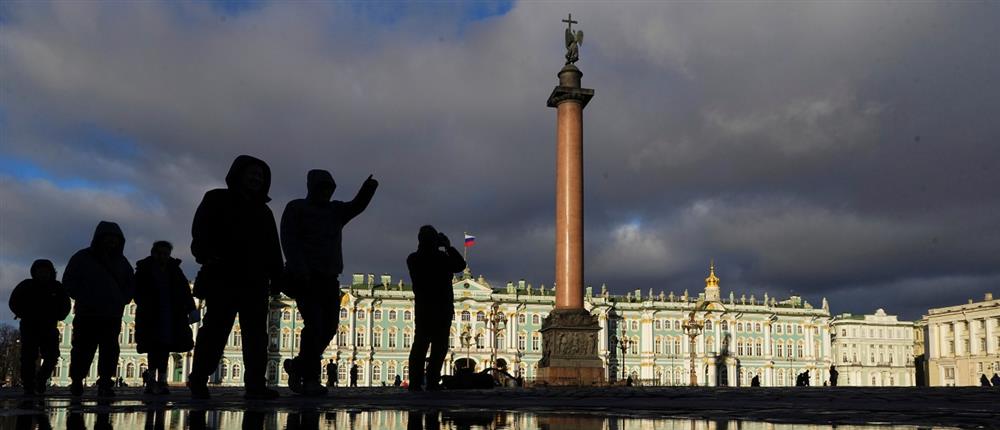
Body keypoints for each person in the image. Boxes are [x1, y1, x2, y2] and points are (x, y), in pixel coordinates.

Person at [188, 155, 284, 400]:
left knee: (256, 335)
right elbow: (200, 229)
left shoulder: (264, 211)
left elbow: (273, 247)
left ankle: (255, 385)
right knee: (215, 330)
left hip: (255, 280)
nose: (256, 179)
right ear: (238, 174)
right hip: (223, 275)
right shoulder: (216, 198)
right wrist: (204, 254)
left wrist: (278, 277)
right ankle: (198, 379)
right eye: (252, 174)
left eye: (261, 176)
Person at [280, 170, 378, 396]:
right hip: (306, 277)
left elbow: (357, 206)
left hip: (330, 279)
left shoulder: (335, 211)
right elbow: (288, 239)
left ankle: (298, 366)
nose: (326, 192)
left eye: (329, 188)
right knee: (314, 326)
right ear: (311, 187)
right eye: (321, 187)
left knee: (330, 328)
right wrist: (298, 267)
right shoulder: (297, 208)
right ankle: (311, 378)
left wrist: (369, 187)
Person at [64, 221, 136, 397]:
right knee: (82, 348)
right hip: (87, 312)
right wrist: (84, 297)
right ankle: (77, 380)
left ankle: (105, 381)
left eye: (115, 238)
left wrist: (122, 299)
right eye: (108, 237)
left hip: (112, 313)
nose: (111, 241)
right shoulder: (82, 257)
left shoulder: (122, 261)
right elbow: (69, 281)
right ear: (99, 238)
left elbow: (130, 284)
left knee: (110, 349)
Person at [406, 226, 466, 392]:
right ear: (434, 241)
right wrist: (448, 246)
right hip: (441, 307)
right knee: (439, 346)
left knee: (420, 346)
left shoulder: (412, 258)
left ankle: (415, 383)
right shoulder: (441, 258)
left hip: (424, 307)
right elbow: (461, 265)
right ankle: (432, 381)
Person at [134, 240, 196, 395]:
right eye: (160, 253)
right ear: (154, 253)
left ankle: (162, 381)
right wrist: (143, 303)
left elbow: (184, 290)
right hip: (150, 315)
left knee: (164, 348)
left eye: (166, 254)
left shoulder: (174, 270)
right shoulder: (144, 269)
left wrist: (191, 309)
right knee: (152, 347)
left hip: (170, 315)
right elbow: (136, 289)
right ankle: (151, 381)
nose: (163, 256)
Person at [8, 259, 71, 396]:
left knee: (53, 356)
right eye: (40, 271)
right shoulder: (26, 285)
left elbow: (66, 304)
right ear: (34, 272)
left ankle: (41, 379)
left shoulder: (57, 287)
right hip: (29, 326)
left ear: (51, 272)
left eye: (46, 271)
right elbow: (13, 301)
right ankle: (29, 385)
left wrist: (60, 315)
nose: (43, 274)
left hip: (49, 326)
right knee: (28, 357)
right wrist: (22, 313)